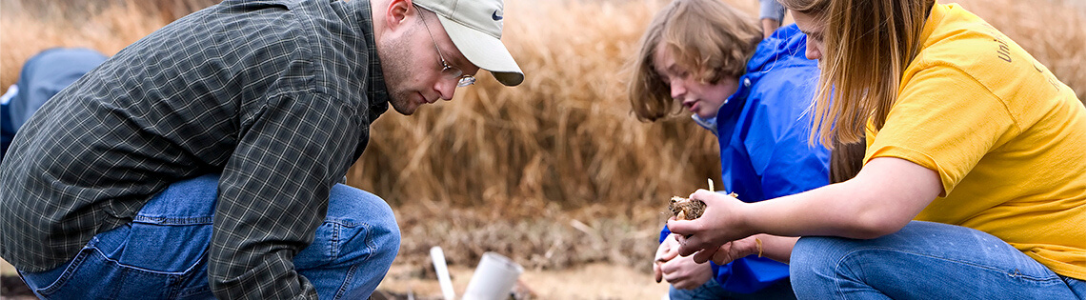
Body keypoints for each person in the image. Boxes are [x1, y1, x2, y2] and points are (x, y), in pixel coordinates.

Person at [0, 0, 524, 298]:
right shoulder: (323, 85)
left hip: (37, 225)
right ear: (400, 11)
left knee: (308, 209)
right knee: (365, 229)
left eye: (465, 78)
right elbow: (244, 263)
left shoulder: (316, 25)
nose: (448, 90)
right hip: (79, 241)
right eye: (447, 63)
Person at [667, 0, 1086, 299]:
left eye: (817, 35)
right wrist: (748, 241)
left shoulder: (959, 67)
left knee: (825, 262)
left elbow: (870, 212)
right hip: (1004, 265)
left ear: (862, 21)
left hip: (1066, 278)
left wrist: (742, 217)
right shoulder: (905, 66)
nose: (809, 51)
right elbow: (865, 236)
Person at [626, 0, 829, 298]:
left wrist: (717, 263)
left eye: (680, 72)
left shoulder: (778, 104)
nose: (675, 91)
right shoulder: (750, 95)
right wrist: (683, 238)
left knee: (692, 292)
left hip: (822, 271)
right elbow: (758, 202)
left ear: (711, 50)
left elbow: (813, 229)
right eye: (667, 80)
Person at [0, 48, 108, 162]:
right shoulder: (41, 99)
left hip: (89, 60)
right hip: (39, 69)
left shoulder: (103, 101)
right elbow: (28, 150)